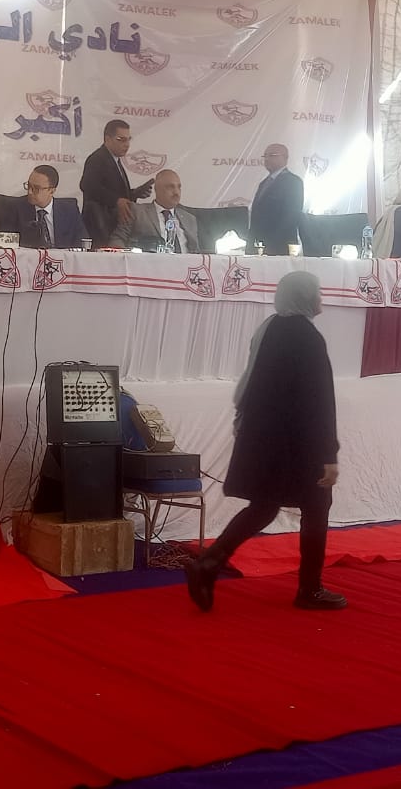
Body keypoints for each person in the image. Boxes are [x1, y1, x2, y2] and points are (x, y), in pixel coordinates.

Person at [184, 271, 346, 612]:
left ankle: (209, 563)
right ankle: (309, 589)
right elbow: (319, 401)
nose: (321, 297)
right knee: (316, 507)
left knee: (265, 505)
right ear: (304, 296)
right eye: (316, 291)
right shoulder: (308, 337)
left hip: (265, 438)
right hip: (298, 442)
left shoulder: (270, 327)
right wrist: (328, 453)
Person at [79, 119, 154, 244]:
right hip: (99, 227)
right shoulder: (97, 158)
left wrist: (135, 193)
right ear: (107, 139)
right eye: (121, 140)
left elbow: (113, 191)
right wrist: (116, 200)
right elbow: (87, 185)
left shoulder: (115, 160)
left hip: (113, 226)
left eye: (129, 139)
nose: (127, 144)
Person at [107, 169, 201, 253]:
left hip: (185, 265)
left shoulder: (189, 219)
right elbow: (117, 239)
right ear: (157, 189)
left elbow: (197, 252)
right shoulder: (137, 212)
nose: (176, 192)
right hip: (147, 264)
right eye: (170, 187)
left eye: (179, 187)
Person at [249, 143, 304, 252]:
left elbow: (291, 216)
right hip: (259, 244)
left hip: (280, 245)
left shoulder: (293, 181)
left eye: (272, 155)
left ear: (285, 158)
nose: (267, 159)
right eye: (265, 156)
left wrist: (272, 242)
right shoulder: (264, 183)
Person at [15, 165, 86, 249]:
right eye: (29, 186)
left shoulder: (70, 210)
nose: (30, 192)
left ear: (51, 191)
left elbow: (82, 243)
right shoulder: (17, 208)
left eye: (36, 188)